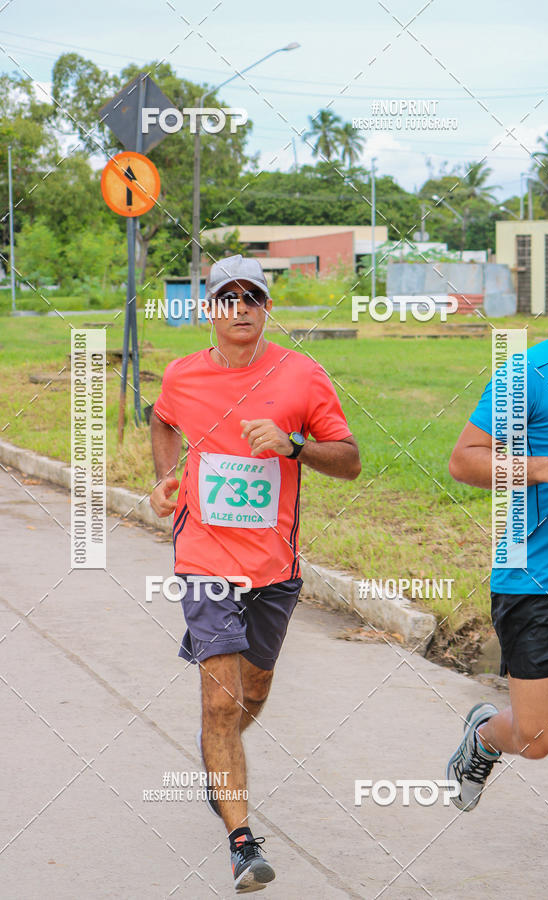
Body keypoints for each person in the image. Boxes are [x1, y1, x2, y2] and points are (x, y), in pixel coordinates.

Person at [149, 254, 361, 893]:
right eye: (227, 298)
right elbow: (163, 418)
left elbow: (349, 460)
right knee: (220, 699)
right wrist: (166, 477)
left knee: (253, 693)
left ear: (267, 307)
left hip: (273, 567)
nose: (239, 308)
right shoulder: (184, 375)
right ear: (208, 309)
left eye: (252, 298)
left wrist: (293, 446)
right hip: (204, 557)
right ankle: (242, 842)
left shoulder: (302, 375)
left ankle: (220, 754)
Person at [446, 234, 548, 898]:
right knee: (538, 737)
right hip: (538, 579)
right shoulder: (530, 371)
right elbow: (465, 460)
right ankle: (486, 735)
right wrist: (541, 468)